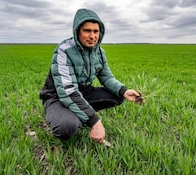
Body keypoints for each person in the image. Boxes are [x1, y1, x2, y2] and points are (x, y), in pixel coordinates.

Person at [40, 8, 141, 143]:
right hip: (58, 96)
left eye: (96, 31)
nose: (92, 36)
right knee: (66, 127)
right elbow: (68, 91)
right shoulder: (64, 51)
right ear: (77, 31)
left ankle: (80, 113)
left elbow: (106, 77)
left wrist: (124, 90)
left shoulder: (99, 52)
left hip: (83, 92)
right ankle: (65, 114)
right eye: (87, 31)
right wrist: (94, 121)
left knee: (118, 95)